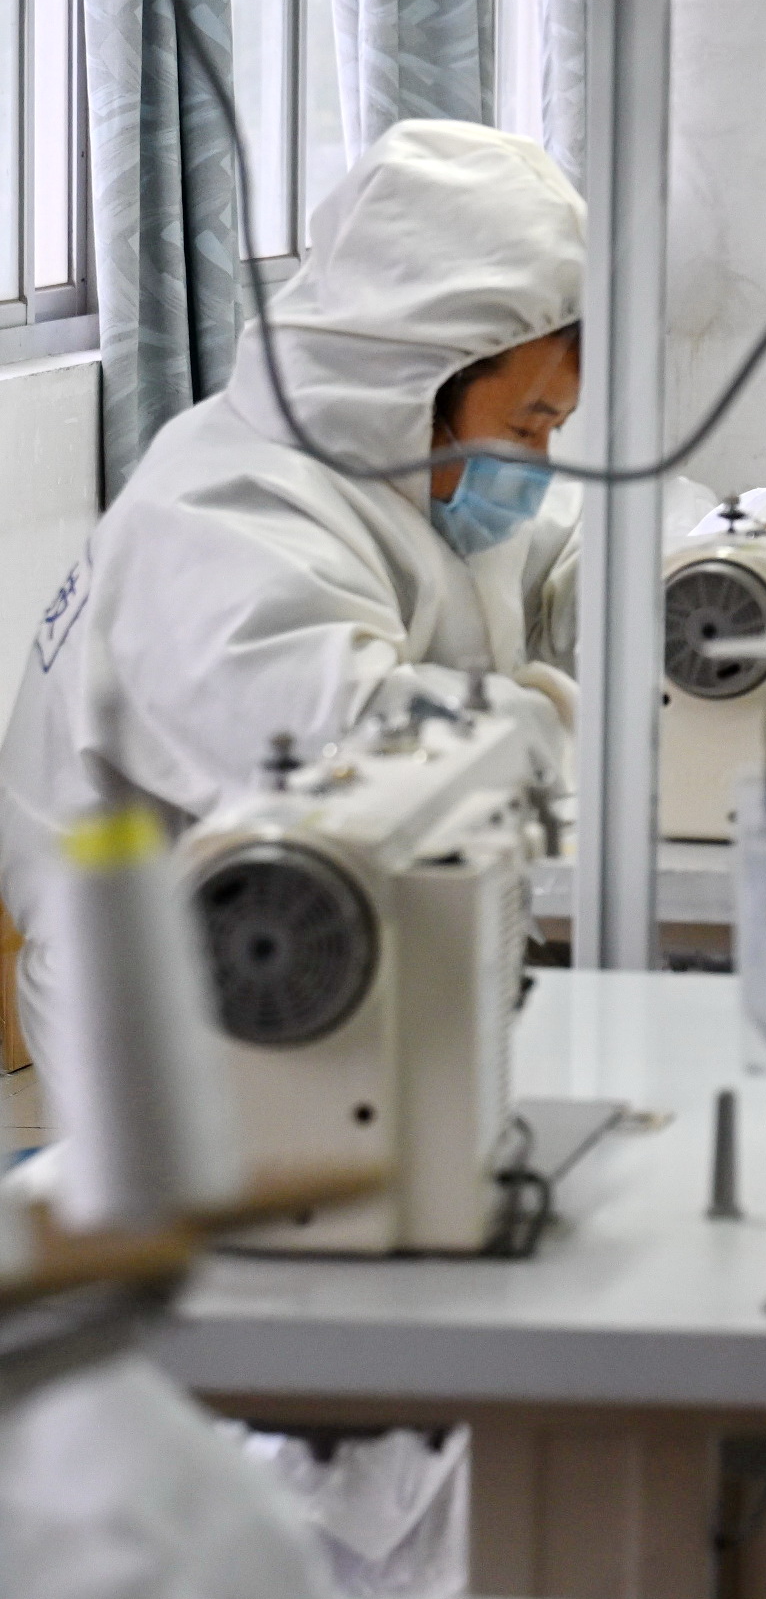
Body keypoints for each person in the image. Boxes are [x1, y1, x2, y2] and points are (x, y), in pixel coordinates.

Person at [2, 121, 588, 1067]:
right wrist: (567, 720)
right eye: (528, 426)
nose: (539, 462)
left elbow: (555, 554)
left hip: (322, 953)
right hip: (181, 1001)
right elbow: (371, 763)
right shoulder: (222, 517)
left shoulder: (396, 474)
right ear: (417, 376)